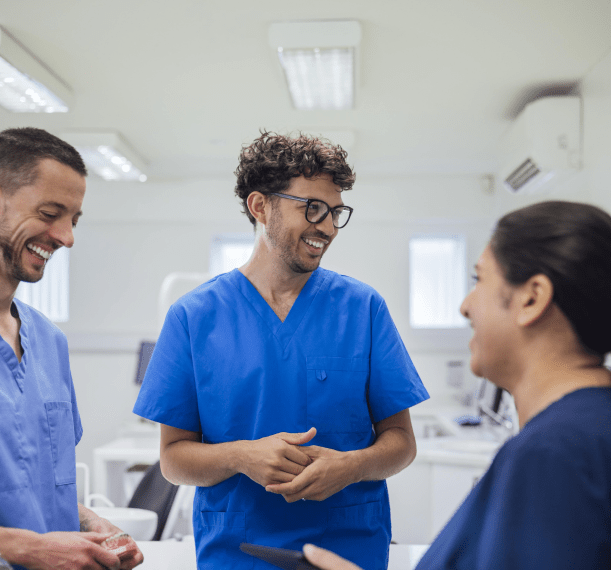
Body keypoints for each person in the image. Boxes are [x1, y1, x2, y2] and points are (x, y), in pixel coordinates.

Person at [133, 131, 429, 570]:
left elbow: (401, 443)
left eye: (335, 212)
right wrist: (240, 456)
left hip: (347, 550)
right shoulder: (194, 317)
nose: (327, 227)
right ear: (260, 206)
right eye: (311, 208)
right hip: (238, 552)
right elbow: (174, 460)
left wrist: (351, 466)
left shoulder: (363, 308)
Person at [303, 200, 611, 570]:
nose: (465, 306)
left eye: (479, 280)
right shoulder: (588, 431)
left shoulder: (554, 453)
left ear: (532, 298)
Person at [0, 128, 143, 570]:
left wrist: (90, 522)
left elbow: (37, 489)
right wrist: (22, 549)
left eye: (74, 220)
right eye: (50, 213)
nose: (66, 237)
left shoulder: (48, 343)